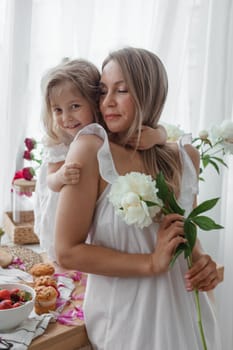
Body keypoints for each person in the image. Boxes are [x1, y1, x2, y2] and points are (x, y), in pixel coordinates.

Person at [54, 47, 222, 349]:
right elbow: (66, 252)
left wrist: (202, 263)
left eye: (122, 90)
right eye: (103, 91)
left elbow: (186, 232)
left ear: (149, 93)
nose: (108, 102)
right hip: (126, 324)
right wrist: (150, 263)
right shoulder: (91, 150)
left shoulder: (185, 156)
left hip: (188, 319)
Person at [34, 58, 167, 261]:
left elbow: (164, 131)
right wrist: (60, 176)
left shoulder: (104, 134)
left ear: (94, 104)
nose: (66, 118)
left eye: (75, 106)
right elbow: (49, 181)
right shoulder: (58, 142)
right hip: (59, 208)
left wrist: (157, 136)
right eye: (58, 110)